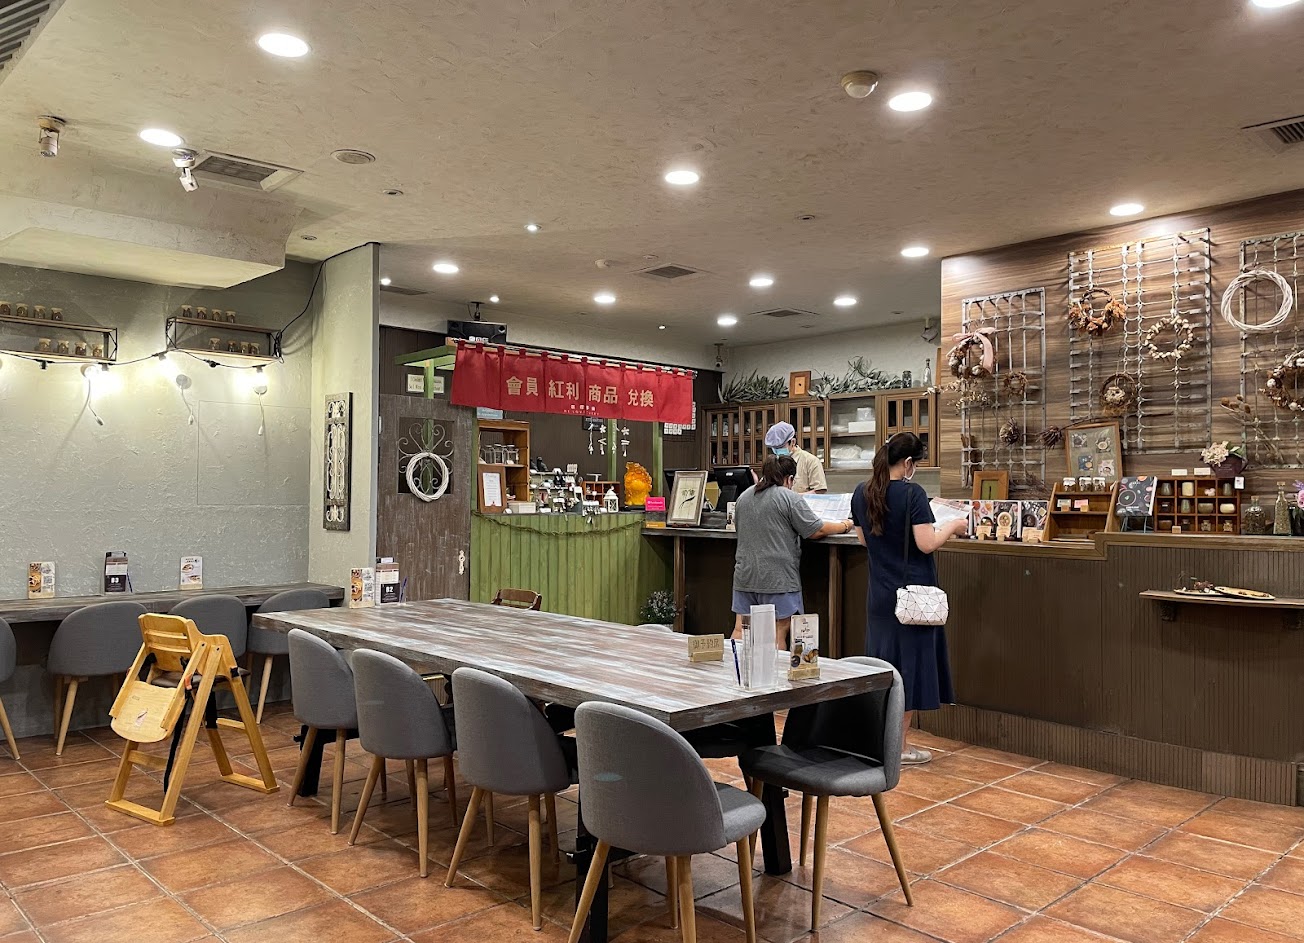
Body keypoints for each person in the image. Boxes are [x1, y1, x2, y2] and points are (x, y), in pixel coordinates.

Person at [851, 433, 967, 765]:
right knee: (909, 670)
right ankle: (899, 748)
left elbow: (863, 540)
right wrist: (953, 526)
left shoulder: (861, 492)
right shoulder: (912, 493)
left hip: (880, 596)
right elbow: (926, 543)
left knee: (884, 668)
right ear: (908, 463)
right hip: (914, 599)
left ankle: (879, 742)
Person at [732, 454, 851, 647]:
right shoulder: (788, 497)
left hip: (745, 575)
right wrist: (845, 525)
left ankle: (734, 665)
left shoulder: (744, 497)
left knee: (742, 629)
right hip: (778, 579)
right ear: (789, 479)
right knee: (777, 631)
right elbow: (817, 530)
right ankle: (774, 668)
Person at [764, 421, 827, 493]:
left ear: (793, 442)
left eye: (780, 447)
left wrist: (794, 497)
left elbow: (819, 490)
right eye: (774, 448)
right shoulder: (773, 463)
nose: (777, 451)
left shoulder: (810, 461)